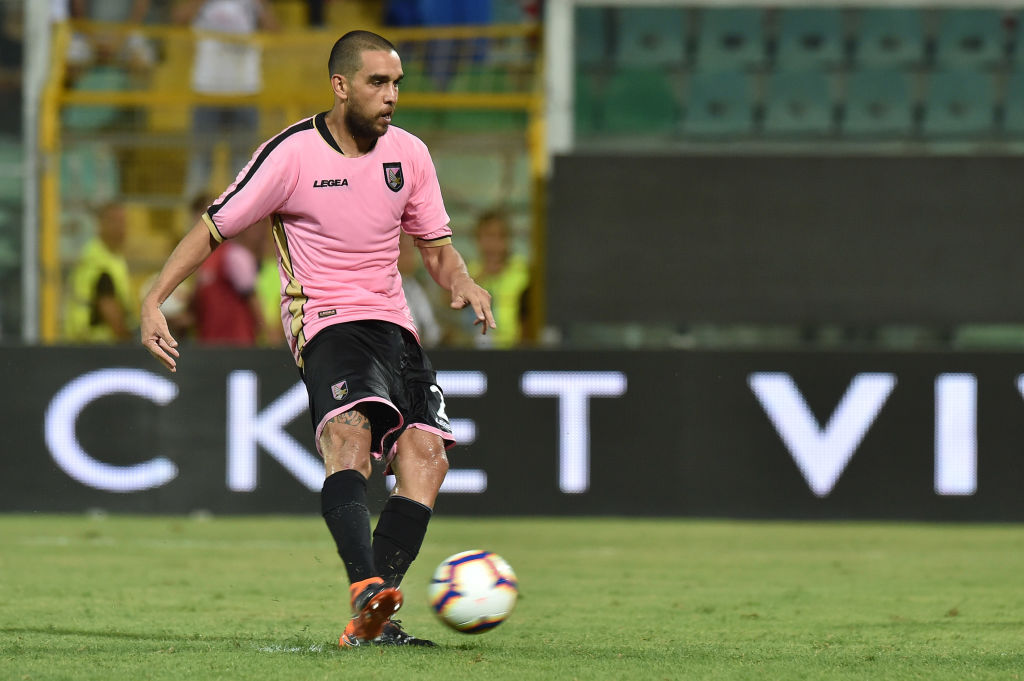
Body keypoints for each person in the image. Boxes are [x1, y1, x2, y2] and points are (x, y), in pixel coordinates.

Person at [140, 30, 495, 648]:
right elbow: (212, 228)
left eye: (397, 84)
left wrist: (464, 280)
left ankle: (373, 620)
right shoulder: (291, 155)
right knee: (349, 434)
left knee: (427, 459)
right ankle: (366, 587)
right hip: (326, 317)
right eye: (378, 83)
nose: (391, 97)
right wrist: (154, 298)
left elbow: (436, 249)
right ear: (341, 86)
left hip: (394, 322)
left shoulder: (409, 154)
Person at [173, 0, 279, 199]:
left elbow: (274, 30)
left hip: (245, 89)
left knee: (243, 167)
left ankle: (242, 225)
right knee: (200, 164)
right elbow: (178, 19)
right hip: (207, 88)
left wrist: (262, 6)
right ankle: (193, 226)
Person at [65, 202, 136, 342]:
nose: (121, 228)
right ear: (101, 224)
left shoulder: (112, 256)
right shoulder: (99, 261)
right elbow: (108, 306)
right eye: (115, 222)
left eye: (123, 222)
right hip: (97, 343)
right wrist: (128, 340)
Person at [191, 214, 266, 345]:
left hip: (237, 342)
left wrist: (266, 332)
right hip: (210, 341)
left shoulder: (237, 255)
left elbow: (252, 298)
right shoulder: (205, 260)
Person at [465, 209, 529, 348]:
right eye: (489, 236)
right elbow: (447, 306)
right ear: (477, 239)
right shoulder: (468, 272)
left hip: (516, 349)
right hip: (477, 349)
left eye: (501, 236)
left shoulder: (523, 271)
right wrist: (481, 276)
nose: (495, 243)